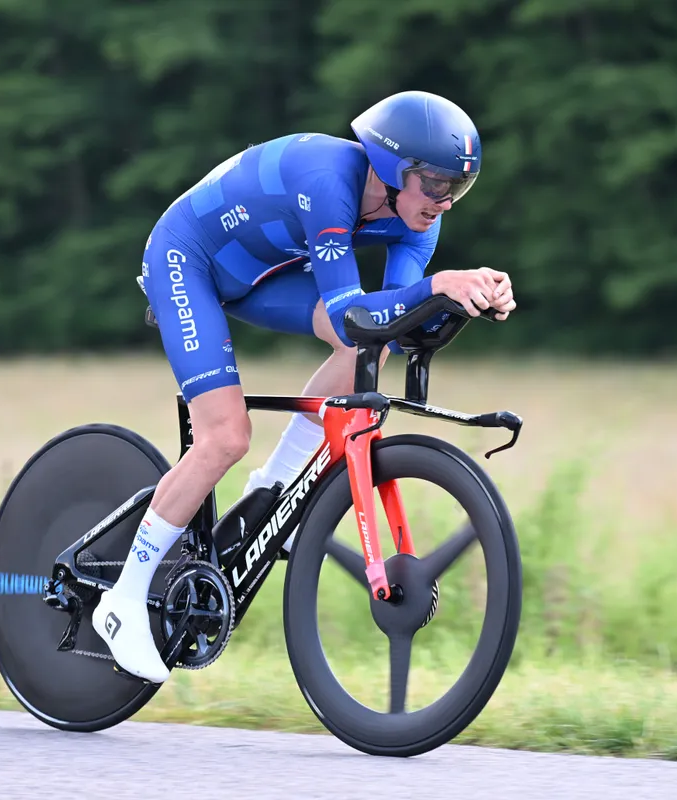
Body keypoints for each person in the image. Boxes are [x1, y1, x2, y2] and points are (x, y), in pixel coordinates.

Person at [92, 90, 516, 683]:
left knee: (375, 343)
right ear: (393, 167)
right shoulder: (328, 179)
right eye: (436, 184)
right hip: (187, 258)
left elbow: (388, 324)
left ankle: (273, 487)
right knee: (225, 436)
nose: (445, 203)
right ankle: (122, 599)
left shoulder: (417, 224)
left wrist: (464, 302)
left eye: (458, 190)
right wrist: (438, 285)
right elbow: (348, 313)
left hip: (259, 272)